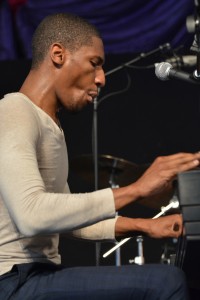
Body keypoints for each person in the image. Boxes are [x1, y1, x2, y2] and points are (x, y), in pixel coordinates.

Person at [0, 12, 198, 300]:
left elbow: (68, 219)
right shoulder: (14, 112)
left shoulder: (49, 126)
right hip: (14, 281)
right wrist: (137, 188)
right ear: (58, 54)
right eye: (95, 64)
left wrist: (145, 226)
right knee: (168, 281)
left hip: (35, 276)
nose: (102, 78)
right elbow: (32, 216)